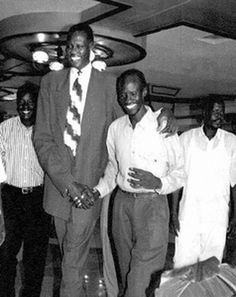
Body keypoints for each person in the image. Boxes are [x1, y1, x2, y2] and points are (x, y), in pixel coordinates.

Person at [33, 23, 178, 297]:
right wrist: (66, 184)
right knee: (69, 258)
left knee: (73, 260)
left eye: (79, 45)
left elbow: (134, 113)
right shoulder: (50, 83)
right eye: (70, 46)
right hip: (58, 189)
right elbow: (42, 139)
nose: (73, 51)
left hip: (90, 190)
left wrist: (165, 111)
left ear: (91, 47)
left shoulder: (110, 85)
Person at [71, 69, 185, 297]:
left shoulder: (163, 126)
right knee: (126, 275)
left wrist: (158, 182)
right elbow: (113, 169)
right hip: (121, 206)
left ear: (144, 92)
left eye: (133, 93)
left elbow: (180, 173)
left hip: (153, 207)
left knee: (139, 282)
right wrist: (98, 191)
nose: (128, 99)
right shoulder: (116, 129)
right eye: (124, 94)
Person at [171, 97, 236, 269]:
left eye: (221, 112)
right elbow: (177, 179)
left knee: (211, 267)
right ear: (205, 113)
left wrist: (235, 216)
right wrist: (173, 213)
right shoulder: (186, 139)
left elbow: (234, 183)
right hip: (189, 213)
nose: (219, 116)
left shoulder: (231, 141)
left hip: (217, 215)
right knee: (182, 264)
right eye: (215, 112)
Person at [0, 82, 51, 297]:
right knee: (5, 254)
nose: (26, 107)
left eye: (30, 103)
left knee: (35, 257)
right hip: (10, 198)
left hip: (38, 200)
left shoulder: (47, 130)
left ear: (38, 104)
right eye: (21, 103)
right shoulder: (5, 128)